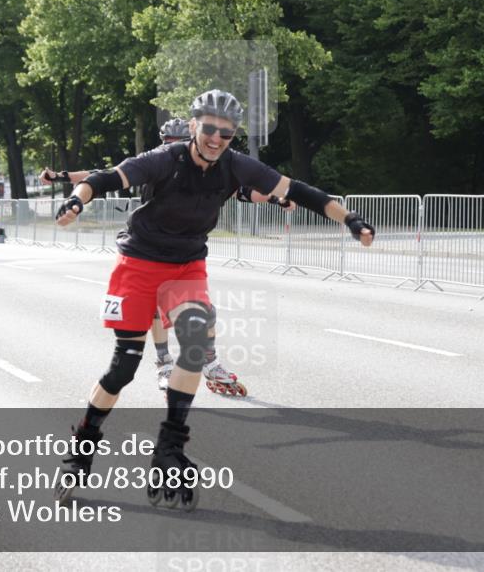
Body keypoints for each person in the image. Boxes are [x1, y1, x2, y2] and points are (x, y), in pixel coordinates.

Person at [52, 89, 374, 510]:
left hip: (186, 266)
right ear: (193, 126)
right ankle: (83, 445)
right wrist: (75, 201)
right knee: (122, 369)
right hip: (139, 264)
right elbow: (103, 179)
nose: (216, 139)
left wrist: (350, 219)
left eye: (226, 133)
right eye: (209, 129)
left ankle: (169, 447)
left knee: (196, 342)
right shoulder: (164, 160)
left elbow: (302, 191)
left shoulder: (237, 166)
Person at [39, 117, 294, 398]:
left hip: (184, 252)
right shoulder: (159, 162)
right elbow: (100, 175)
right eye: (169, 143)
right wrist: (61, 178)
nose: (175, 148)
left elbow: (243, 190)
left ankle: (209, 362)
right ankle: (164, 364)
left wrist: (274, 197)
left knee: (205, 312)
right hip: (148, 248)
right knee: (155, 314)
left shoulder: (208, 166)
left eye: (178, 142)